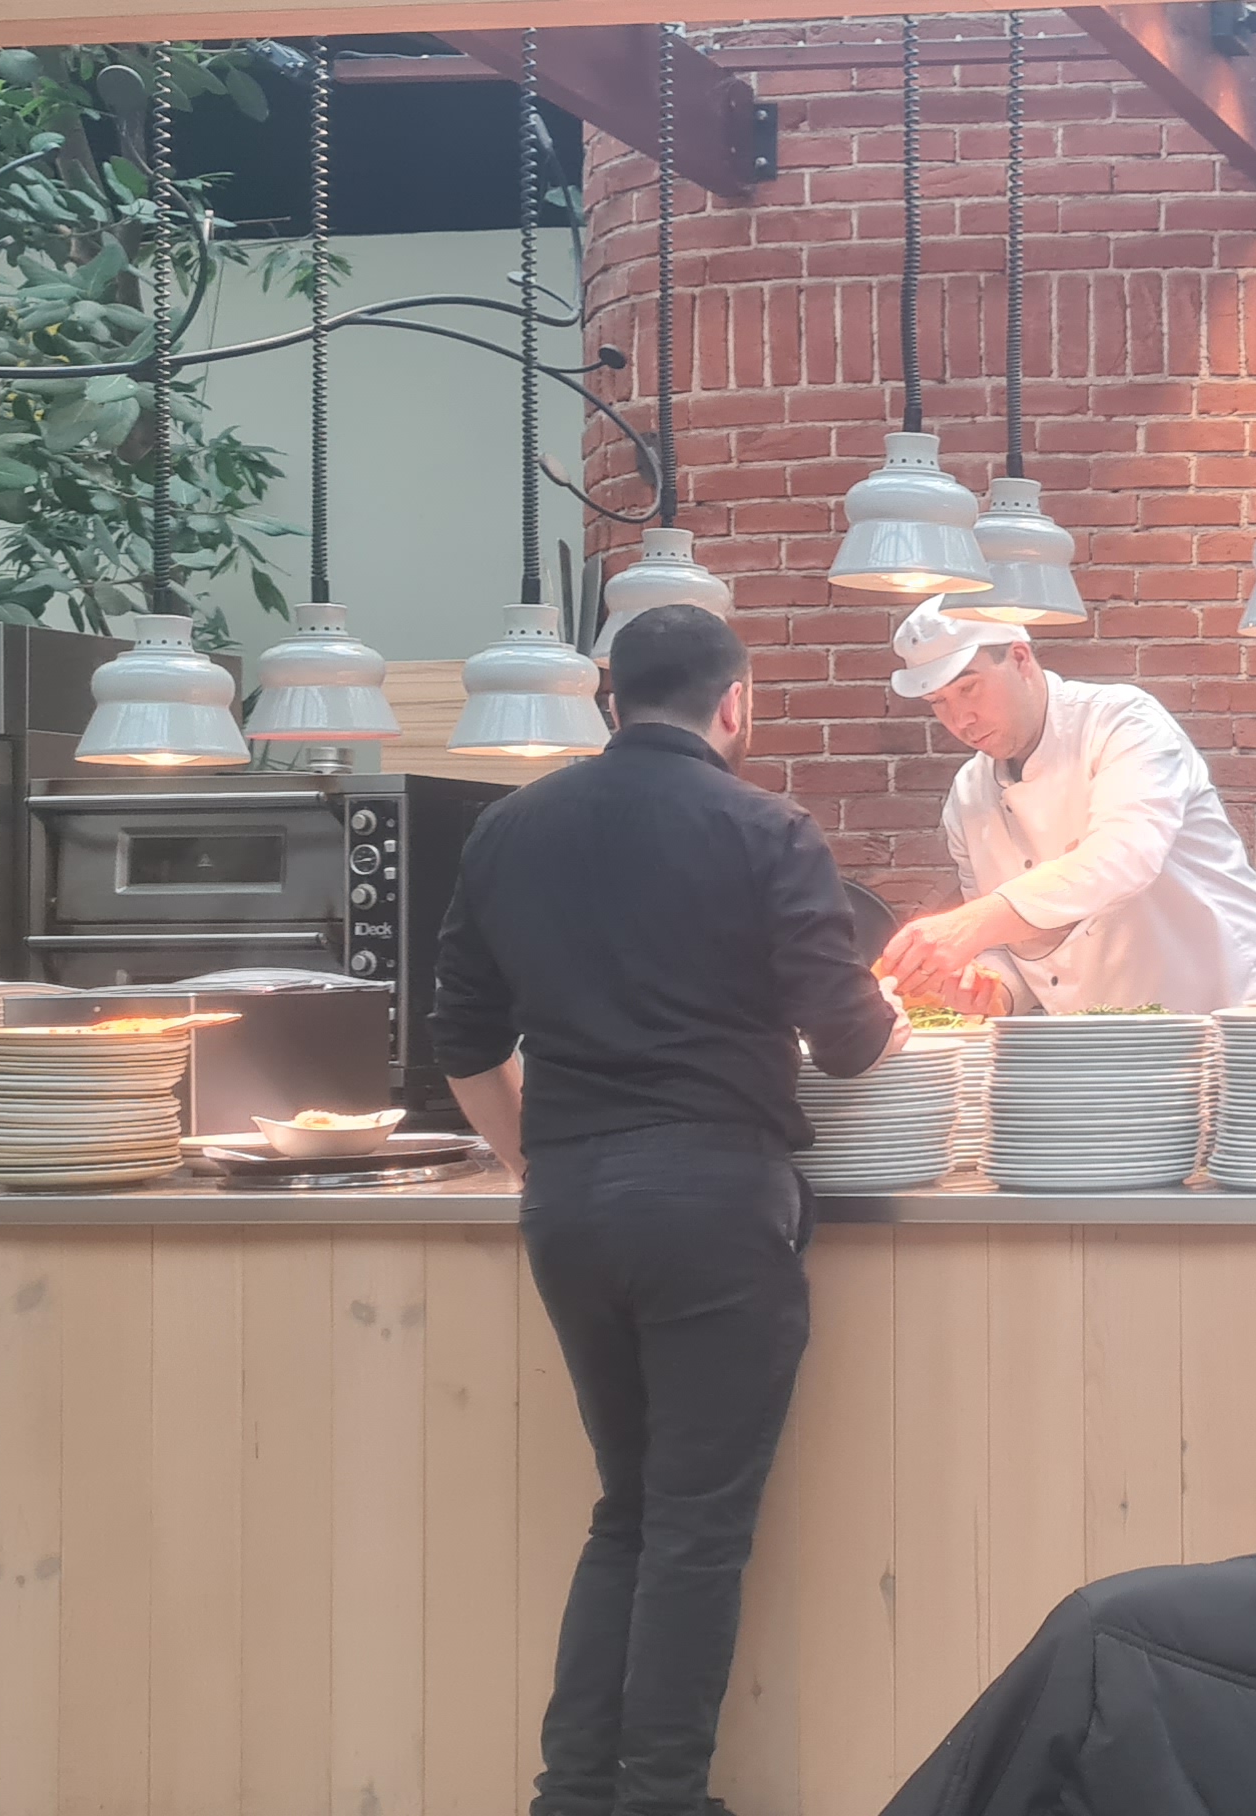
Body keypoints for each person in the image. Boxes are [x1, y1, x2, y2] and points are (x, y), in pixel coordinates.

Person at [429, 602, 900, 1816]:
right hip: (714, 1204)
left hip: (571, 1205)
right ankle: (661, 1801)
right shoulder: (767, 828)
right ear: (735, 702)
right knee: (694, 1526)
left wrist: (540, 1157)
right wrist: (896, 1006)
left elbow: (462, 1038)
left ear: (609, 699)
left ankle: (575, 1796)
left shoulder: (507, 830)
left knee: (630, 1512)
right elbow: (849, 1041)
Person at [871, 600, 1256, 1015]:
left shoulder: (1122, 721)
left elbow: (1125, 856)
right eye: (938, 703)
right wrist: (992, 990)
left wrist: (972, 924)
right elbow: (1009, 948)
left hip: (1241, 1010)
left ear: (1021, 659)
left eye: (969, 688)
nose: (959, 720)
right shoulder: (968, 796)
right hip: (1111, 1040)